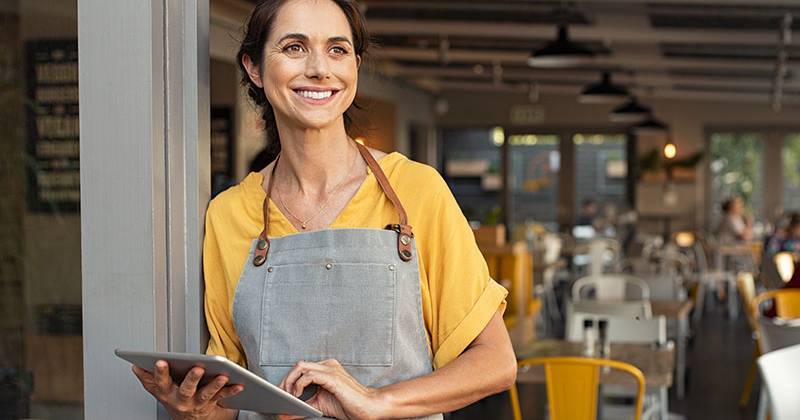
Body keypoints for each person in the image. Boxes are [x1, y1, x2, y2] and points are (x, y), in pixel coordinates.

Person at [131, 1, 517, 419]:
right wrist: (194, 409)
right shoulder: (228, 214)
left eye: (337, 49)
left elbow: (496, 361)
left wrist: (377, 402)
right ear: (254, 67)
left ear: (355, 65)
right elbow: (229, 401)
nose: (320, 68)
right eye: (294, 47)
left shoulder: (415, 192)